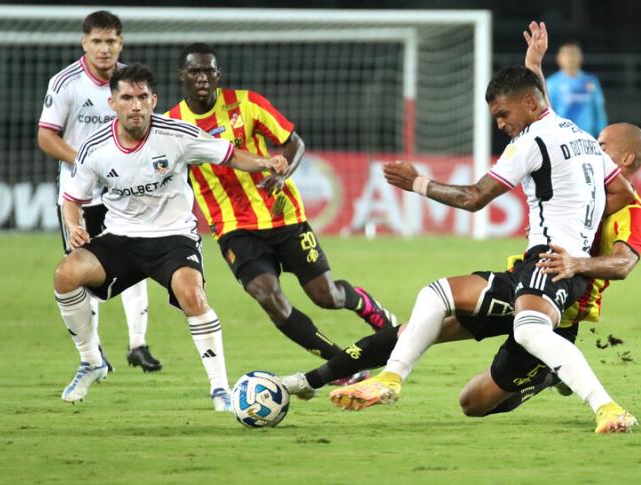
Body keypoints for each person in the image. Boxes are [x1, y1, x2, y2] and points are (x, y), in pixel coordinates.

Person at [318, 52, 640, 431]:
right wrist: (581, 226)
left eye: (504, 114)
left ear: (530, 103)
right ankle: (390, 378)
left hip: (549, 261)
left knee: (529, 330)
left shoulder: (531, 141)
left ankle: (607, 408)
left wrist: (417, 183)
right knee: (436, 294)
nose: (501, 124)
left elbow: (474, 198)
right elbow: (623, 192)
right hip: (541, 263)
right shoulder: (584, 139)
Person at [53, 64, 288, 410]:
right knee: (65, 275)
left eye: (143, 97)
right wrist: (74, 226)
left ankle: (220, 389)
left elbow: (230, 155)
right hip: (121, 236)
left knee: (192, 294)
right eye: (127, 97)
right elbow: (71, 198)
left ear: (154, 100)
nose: (136, 105)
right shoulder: (95, 148)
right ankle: (92, 361)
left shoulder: (177, 134)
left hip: (173, 236)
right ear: (113, 102)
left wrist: (267, 162)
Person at [165, 43, 396, 369]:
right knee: (269, 298)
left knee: (326, 296)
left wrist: (284, 168)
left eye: (208, 71)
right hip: (234, 228)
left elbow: (293, 143)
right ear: (181, 76)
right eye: (195, 71)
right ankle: (341, 364)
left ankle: (366, 305)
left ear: (218, 75)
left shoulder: (246, 104)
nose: (202, 77)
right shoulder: (172, 124)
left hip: (282, 215)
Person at [37, 10, 161, 372]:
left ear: (120, 43)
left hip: (125, 192)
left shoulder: (130, 86)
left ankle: (138, 343)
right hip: (81, 195)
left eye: (110, 41)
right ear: (84, 43)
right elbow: (46, 136)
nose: (104, 49)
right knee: (82, 269)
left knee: (136, 261)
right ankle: (94, 354)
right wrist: (89, 161)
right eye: (97, 41)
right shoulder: (65, 83)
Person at [546, 41, 607, 137]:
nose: (570, 58)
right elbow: (548, 114)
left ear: (581, 57)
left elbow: (599, 111)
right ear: (559, 58)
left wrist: (602, 135)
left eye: (574, 53)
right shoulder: (551, 84)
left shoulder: (591, 81)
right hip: (563, 138)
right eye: (566, 54)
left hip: (588, 137)